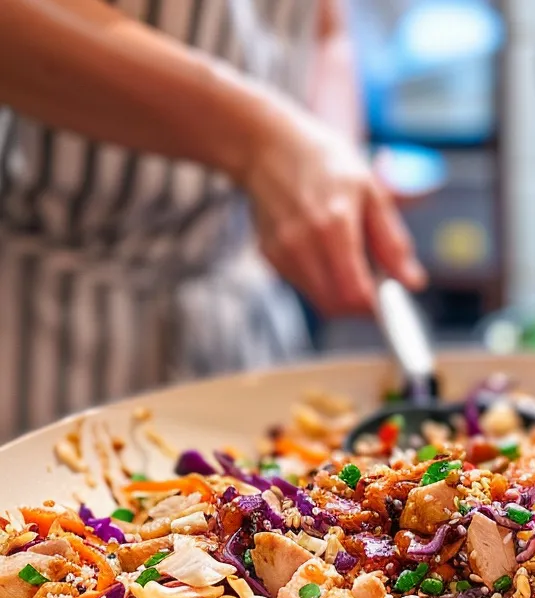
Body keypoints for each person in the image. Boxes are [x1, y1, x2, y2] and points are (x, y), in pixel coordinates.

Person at [0, 0, 425, 440]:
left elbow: (326, 31)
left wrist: (331, 157)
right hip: (52, 322)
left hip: (240, 310)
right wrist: (261, 140)